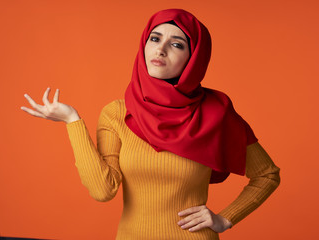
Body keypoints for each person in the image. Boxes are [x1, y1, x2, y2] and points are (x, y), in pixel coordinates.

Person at [21, 9, 280, 240]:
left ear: (194, 58)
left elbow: (267, 175)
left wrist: (225, 218)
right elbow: (103, 190)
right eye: (155, 39)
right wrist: (72, 121)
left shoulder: (216, 113)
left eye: (176, 44)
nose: (161, 49)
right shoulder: (116, 114)